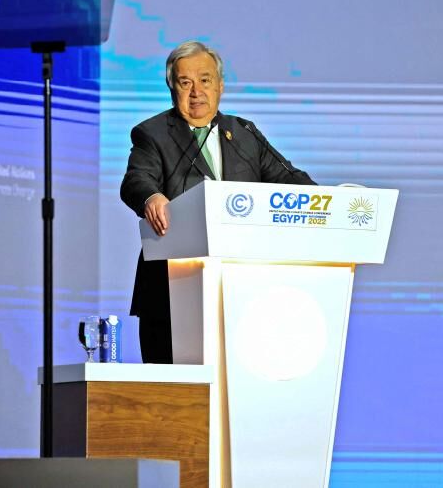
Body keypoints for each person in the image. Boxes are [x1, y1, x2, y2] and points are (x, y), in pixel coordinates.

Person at [120, 40, 315, 363]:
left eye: (205, 80)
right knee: (173, 389)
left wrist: (324, 201)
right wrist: (151, 197)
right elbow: (136, 180)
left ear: (220, 86)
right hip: (170, 291)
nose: (196, 92)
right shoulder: (152, 134)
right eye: (185, 82)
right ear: (172, 88)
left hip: (244, 291)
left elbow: (289, 178)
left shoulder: (244, 133)